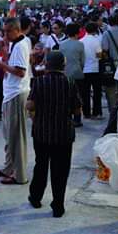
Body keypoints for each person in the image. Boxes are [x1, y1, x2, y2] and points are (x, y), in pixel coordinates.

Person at [26, 51, 81, 217]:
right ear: (63, 65)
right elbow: (77, 110)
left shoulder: (39, 82)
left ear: (46, 65)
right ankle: (58, 206)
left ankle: (35, 198)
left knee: (40, 166)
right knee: (61, 170)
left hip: (42, 132)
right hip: (64, 134)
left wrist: (36, 116)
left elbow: (29, 105)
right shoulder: (70, 82)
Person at [0, 17, 32, 185]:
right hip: (11, 92)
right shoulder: (16, 43)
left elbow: (20, 72)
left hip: (17, 93)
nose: (5, 35)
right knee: (9, 135)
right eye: (4, 31)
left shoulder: (21, 45)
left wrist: (2, 66)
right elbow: (11, 62)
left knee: (16, 136)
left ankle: (19, 174)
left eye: (8, 31)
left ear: (17, 30)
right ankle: (9, 167)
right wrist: (4, 51)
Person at [58, 23, 86, 127]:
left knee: (66, 97)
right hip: (77, 73)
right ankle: (77, 119)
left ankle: (67, 117)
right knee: (77, 97)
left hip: (65, 74)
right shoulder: (80, 44)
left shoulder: (62, 44)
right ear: (77, 32)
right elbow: (83, 61)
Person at [81, 22, 104, 119]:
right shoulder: (96, 40)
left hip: (84, 69)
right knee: (97, 92)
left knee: (85, 92)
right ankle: (96, 112)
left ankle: (86, 112)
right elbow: (99, 55)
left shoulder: (81, 41)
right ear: (95, 30)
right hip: (95, 68)